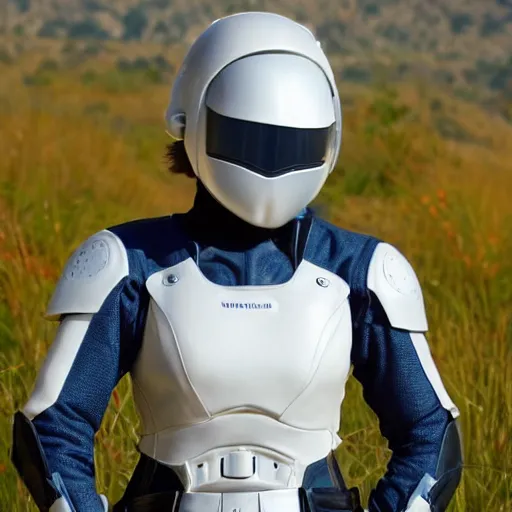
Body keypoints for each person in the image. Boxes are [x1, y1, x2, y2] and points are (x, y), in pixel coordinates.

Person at [11, 12, 463, 512]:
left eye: (288, 143)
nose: (269, 161)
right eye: (249, 139)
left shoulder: (359, 270)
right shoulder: (127, 265)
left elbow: (431, 436)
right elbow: (52, 427)